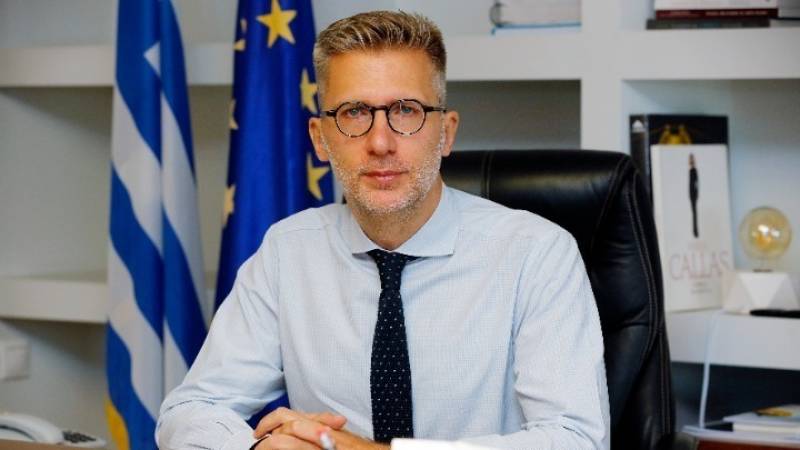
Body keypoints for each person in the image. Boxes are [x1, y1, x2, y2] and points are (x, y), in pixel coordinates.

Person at [157, 10, 609, 450]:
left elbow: (577, 439)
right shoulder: (287, 252)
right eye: (354, 112)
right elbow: (189, 409)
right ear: (319, 139)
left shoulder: (536, 254)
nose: (380, 142)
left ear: (446, 133)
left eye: (406, 110)